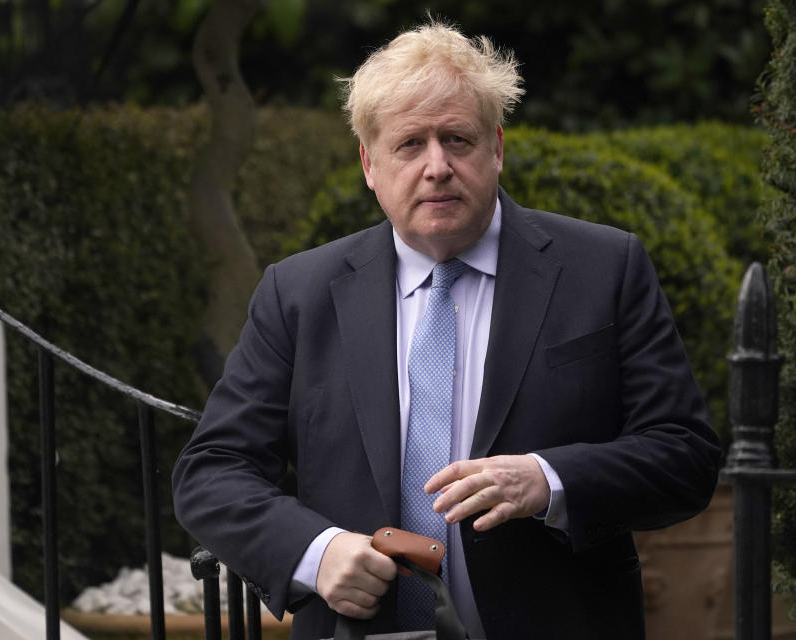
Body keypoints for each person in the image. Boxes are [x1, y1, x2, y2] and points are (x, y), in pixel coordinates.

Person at [172, 20, 720, 640]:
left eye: (458, 139)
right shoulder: (298, 293)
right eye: (410, 144)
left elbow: (685, 456)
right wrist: (317, 551)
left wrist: (548, 479)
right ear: (368, 163)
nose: (437, 167)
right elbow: (212, 470)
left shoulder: (603, 270)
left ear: (497, 149)